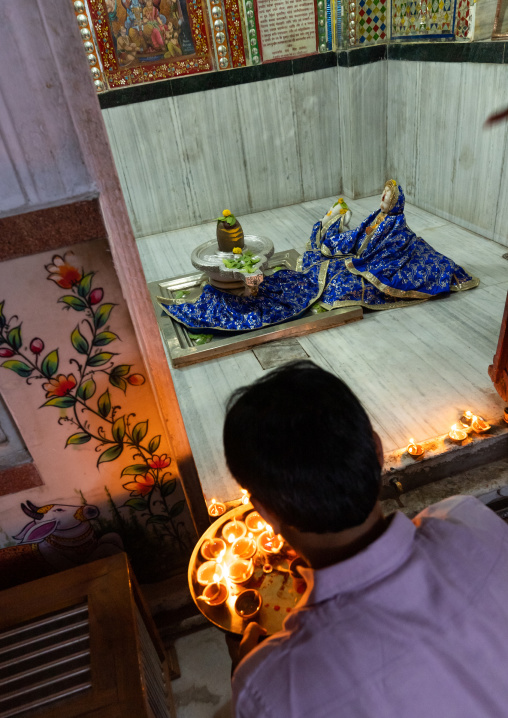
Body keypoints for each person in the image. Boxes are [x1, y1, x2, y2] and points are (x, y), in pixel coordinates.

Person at [223, 360, 508, 718]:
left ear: (263, 512)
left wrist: (253, 672)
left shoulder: (270, 685)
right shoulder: (468, 522)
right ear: (377, 451)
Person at [161, 181, 478, 331]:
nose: (381, 199)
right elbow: (359, 236)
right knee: (318, 264)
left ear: (394, 202)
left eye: (386, 197)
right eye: (382, 195)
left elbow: (383, 248)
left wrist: (354, 258)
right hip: (359, 255)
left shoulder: (394, 223)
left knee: (338, 282)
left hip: (377, 264)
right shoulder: (376, 217)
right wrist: (344, 243)